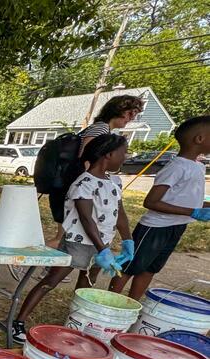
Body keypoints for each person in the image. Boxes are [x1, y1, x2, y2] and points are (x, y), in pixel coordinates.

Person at [13, 134, 133, 344]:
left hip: (101, 242)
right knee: (51, 281)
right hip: (77, 242)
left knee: (86, 286)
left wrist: (127, 240)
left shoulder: (114, 182)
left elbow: (119, 213)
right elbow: (86, 219)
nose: (126, 157)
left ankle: (76, 324)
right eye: (124, 152)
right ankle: (19, 321)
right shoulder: (83, 183)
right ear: (109, 154)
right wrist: (102, 250)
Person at [109, 115, 210, 300]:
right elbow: (151, 202)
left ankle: (131, 305)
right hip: (155, 228)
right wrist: (193, 212)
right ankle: (107, 303)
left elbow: (190, 201)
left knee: (150, 269)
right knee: (130, 267)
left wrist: (201, 207)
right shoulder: (177, 167)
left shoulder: (198, 167)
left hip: (176, 227)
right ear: (200, 139)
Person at [46, 94, 145, 247]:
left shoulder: (103, 129)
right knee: (63, 239)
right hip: (76, 189)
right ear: (118, 110)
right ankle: (28, 257)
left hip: (73, 186)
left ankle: (51, 267)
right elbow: (87, 158)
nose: (131, 118)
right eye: (130, 113)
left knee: (67, 238)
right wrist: (94, 180)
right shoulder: (100, 129)